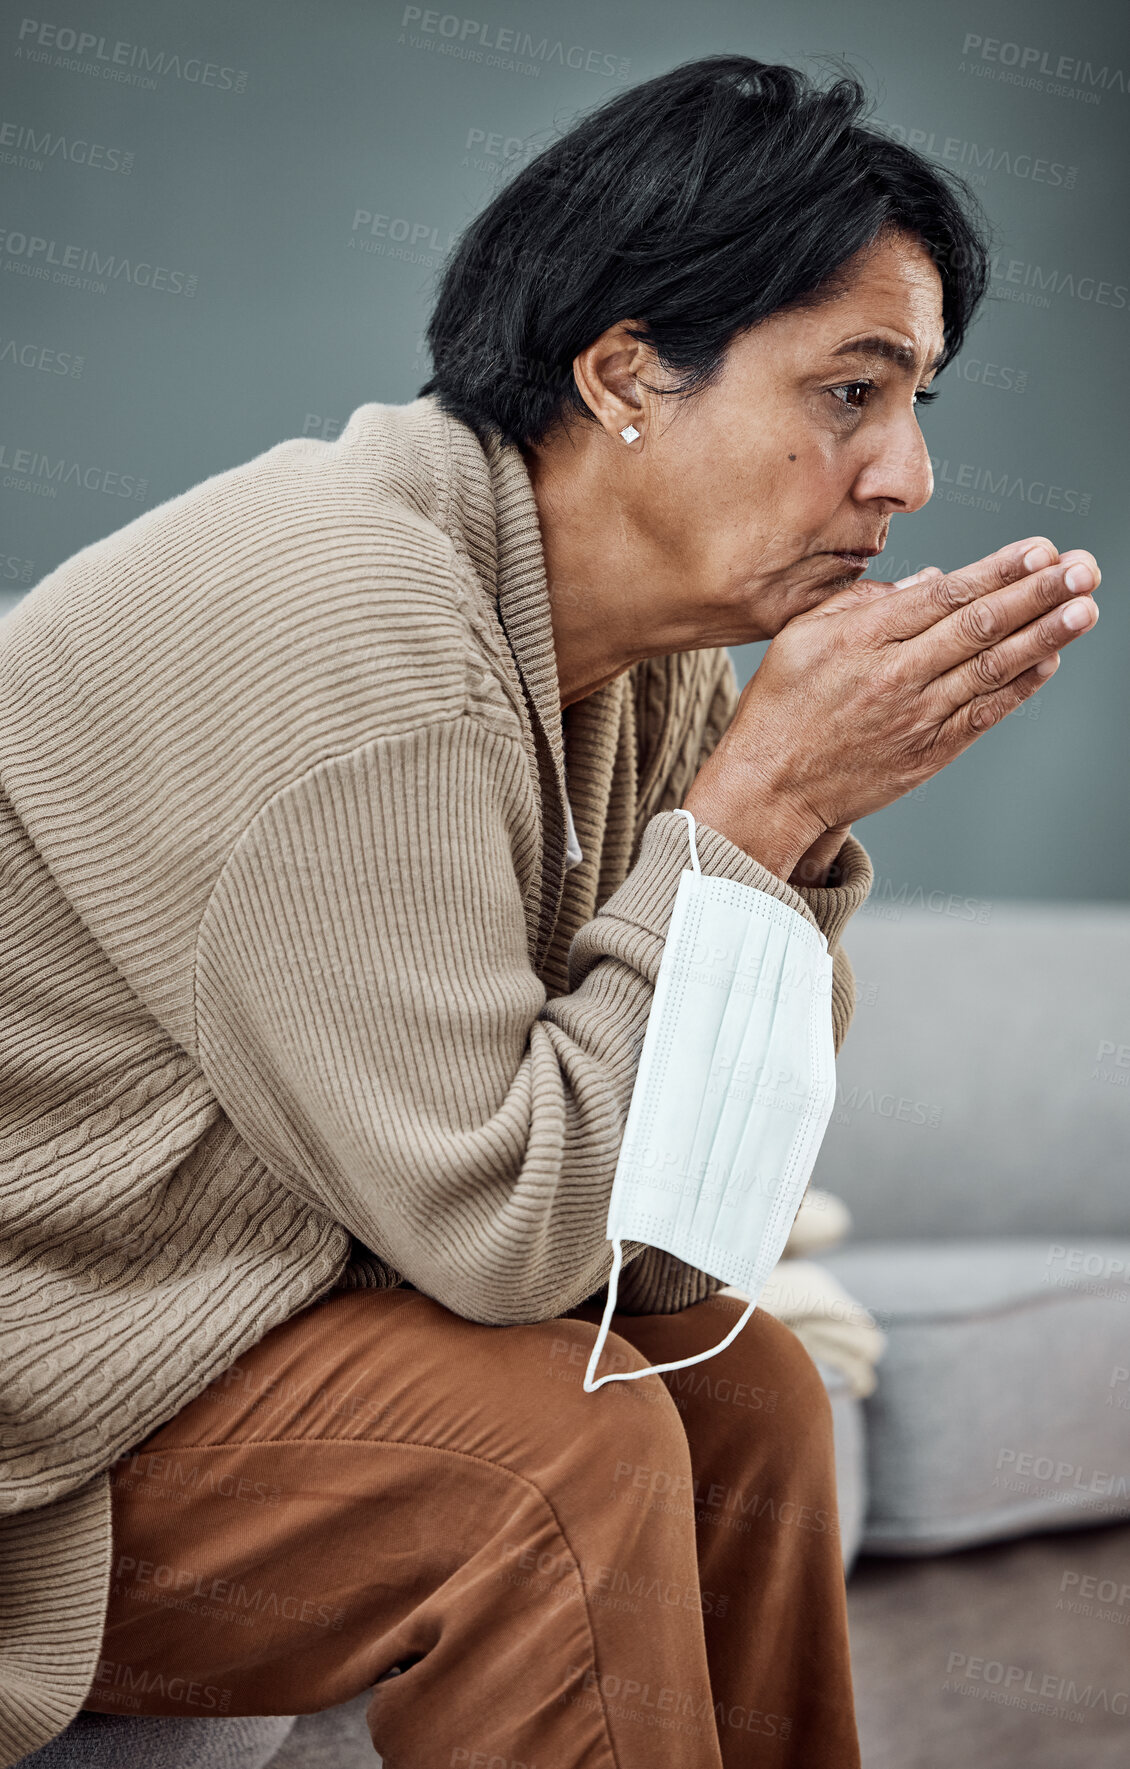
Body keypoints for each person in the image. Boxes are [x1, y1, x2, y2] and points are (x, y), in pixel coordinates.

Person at [0, 53, 1099, 1769]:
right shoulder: (347, 625)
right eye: (847, 392)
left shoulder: (633, 670)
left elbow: (665, 1251)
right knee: (541, 1452)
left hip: (221, 1332)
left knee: (747, 1399)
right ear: (623, 377)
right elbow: (516, 1243)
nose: (905, 478)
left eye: (918, 404)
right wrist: (768, 809)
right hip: (45, 1402)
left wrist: (781, 840)